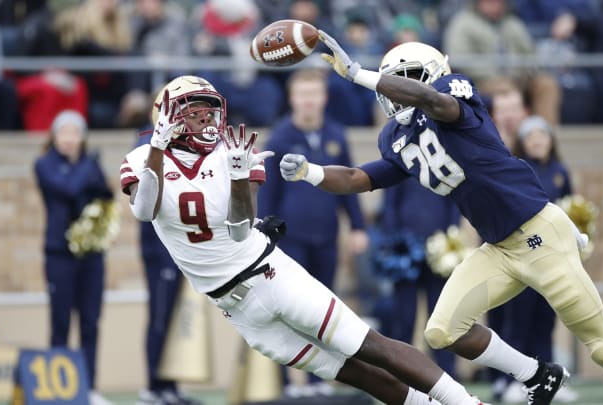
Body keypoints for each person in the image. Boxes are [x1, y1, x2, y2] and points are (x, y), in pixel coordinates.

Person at [278, 33, 603, 405]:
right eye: (394, 81)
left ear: (433, 75)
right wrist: (310, 173)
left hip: (539, 232)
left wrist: (359, 75)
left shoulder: (455, 91)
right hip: (498, 247)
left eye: (409, 79)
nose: (400, 91)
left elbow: (436, 103)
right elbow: (359, 178)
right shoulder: (395, 138)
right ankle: (537, 374)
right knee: (443, 331)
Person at [120, 75, 487, 405]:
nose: (206, 120)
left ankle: (464, 402)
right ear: (166, 116)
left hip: (269, 275)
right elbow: (144, 209)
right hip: (234, 306)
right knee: (350, 372)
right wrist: (157, 149)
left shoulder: (229, 150)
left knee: (368, 346)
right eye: (193, 112)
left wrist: (237, 175)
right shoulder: (140, 158)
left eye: (209, 111)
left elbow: (239, 227)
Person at [257, 68, 369, 397]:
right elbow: (267, 193)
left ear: (323, 97)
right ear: (292, 99)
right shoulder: (279, 138)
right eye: (302, 95)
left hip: (326, 238)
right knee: (288, 312)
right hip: (290, 242)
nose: (308, 101)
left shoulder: (336, 134)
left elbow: (349, 181)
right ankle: (290, 384)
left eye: (314, 94)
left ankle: (320, 383)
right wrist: (266, 235)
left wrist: (358, 226)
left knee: (323, 310)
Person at [495, 116, 578, 403]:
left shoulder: (560, 172)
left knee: (546, 323)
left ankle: (549, 381)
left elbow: (571, 209)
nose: (538, 140)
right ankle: (510, 382)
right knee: (518, 323)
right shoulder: (516, 169)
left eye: (543, 134)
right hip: (522, 258)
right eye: (532, 136)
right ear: (523, 141)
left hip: (551, 261)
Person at [34, 110, 114, 405]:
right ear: (54, 137)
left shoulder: (88, 165)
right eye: (63, 133)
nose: (69, 139)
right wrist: (90, 165)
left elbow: (106, 194)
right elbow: (69, 188)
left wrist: (91, 169)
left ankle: (89, 388)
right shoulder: (44, 164)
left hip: (92, 254)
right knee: (60, 322)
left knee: (91, 321)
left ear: (83, 137)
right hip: (59, 255)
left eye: (75, 133)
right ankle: (61, 390)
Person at [133, 127, 203, 405]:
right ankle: (153, 385)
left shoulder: (190, 142)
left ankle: (171, 383)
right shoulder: (144, 141)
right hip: (159, 247)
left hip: (182, 246)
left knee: (175, 317)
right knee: (160, 316)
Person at [375, 177, 461, 380]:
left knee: (442, 317)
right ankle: (398, 374)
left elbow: (453, 202)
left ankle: (447, 375)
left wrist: (450, 237)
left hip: (439, 252)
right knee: (404, 316)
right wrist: (394, 241)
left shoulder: (441, 162)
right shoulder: (400, 162)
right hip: (405, 253)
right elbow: (389, 204)